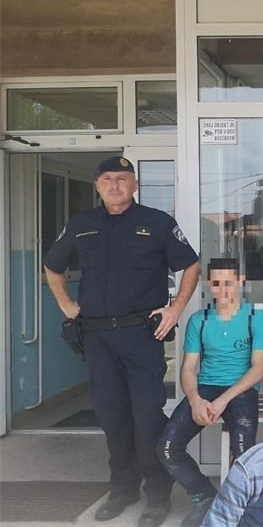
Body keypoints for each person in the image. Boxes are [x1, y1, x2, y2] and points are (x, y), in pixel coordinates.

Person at [43, 156, 200, 527]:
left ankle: (157, 494)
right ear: (98, 185)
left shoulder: (157, 222)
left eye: (122, 178)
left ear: (135, 185)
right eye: (108, 179)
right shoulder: (81, 224)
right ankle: (123, 489)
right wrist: (66, 304)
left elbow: (191, 264)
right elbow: (53, 266)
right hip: (96, 336)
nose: (115, 185)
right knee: (112, 415)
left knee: (147, 416)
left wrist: (176, 309)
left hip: (141, 334)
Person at [156, 258, 263, 526]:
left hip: (241, 389)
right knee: (167, 447)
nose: (223, 289)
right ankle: (203, 495)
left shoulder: (256, 318)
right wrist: (195, 400)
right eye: (217, 283)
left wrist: (223, 400)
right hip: (206, 387)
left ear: (240, 281)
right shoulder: (200, 320)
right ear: (210, 285)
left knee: (243, 454)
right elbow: (188, 368)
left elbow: (259, 368)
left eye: (229, 282)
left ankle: (242, 508)